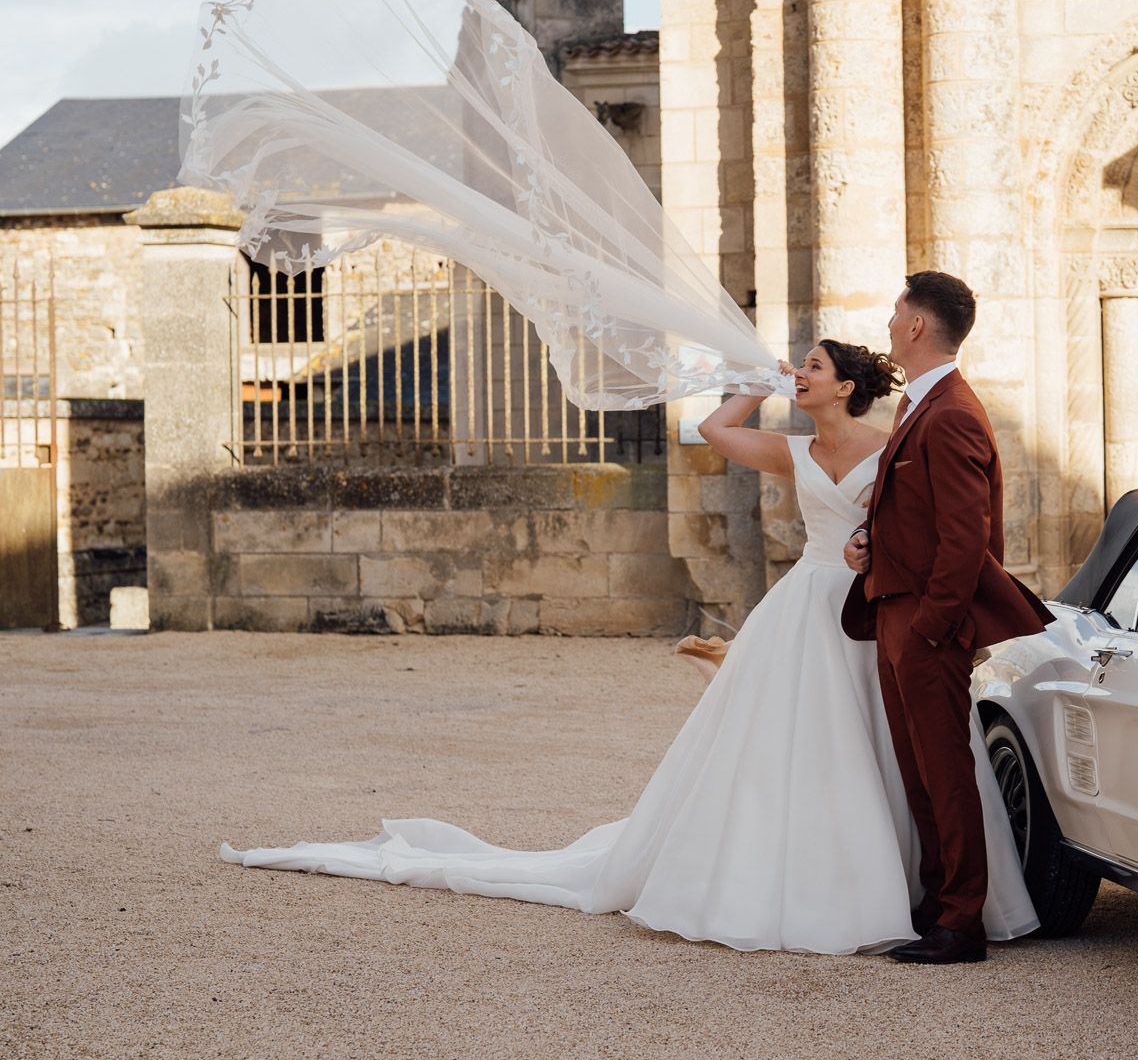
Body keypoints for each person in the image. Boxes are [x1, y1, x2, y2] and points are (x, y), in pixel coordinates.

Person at [221, 340, 1039, 956]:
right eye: (804, 365)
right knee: (798, 748)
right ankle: (824, 886)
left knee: (903, 751)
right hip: (807, 608)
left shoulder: (890, 440)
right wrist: (753, 385)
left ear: (849, 386)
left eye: (814, 367)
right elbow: (714, 428)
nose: (804, 374)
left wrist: (876, 549)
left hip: (870, 602)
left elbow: (924, 515)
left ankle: (933, 890)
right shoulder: (795, 451)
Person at [843, 272, 1055, 965]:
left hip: (927, 623)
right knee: (917, 772)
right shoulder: (917, 404)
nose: (888, 319)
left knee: (944, 769)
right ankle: (938, 902)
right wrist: (869, 545)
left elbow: (968, 541)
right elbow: (921, 517)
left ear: (916, 327)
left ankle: (962, 921)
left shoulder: (954, 411)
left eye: (895, 308)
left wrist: (934, 625)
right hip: (894, 611)